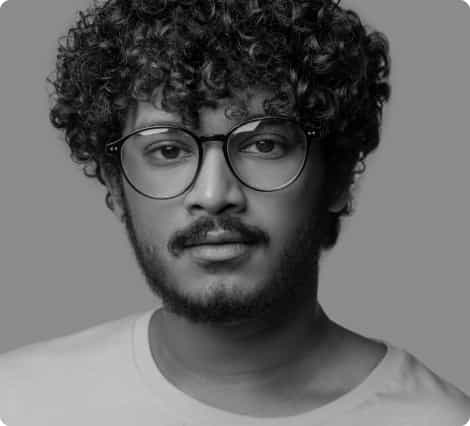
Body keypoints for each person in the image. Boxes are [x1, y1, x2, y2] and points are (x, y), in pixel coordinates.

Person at [0, 0, 469, 424]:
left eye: (264, 145)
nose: (213, 194)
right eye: (168, 150)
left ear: (339, 175)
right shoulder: (18, 402)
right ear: (115, 183)